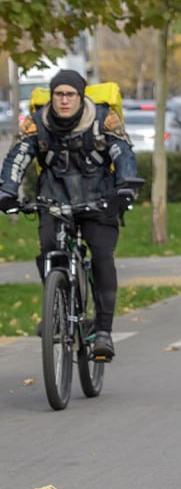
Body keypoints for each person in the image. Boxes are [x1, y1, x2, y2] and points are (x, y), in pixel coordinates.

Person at [0, 70, 138, 359]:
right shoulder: (37, 124)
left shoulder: (102, 119)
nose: (64, 100)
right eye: (58, 94)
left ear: (81, 96)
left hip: (98, 203)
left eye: (70, 95)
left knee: (101, 256)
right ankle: (57, 305)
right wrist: (7, 191)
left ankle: (102, 331)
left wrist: (125, 187)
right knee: (49, 250)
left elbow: (123, 153)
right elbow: (18, 156)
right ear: (52, 97)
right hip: (53, 202)